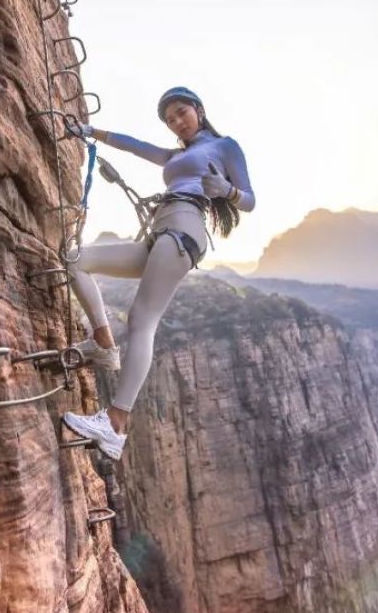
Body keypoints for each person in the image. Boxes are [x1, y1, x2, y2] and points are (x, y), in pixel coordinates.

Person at [62, 86, 255, 460]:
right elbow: (134, 145)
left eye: (181, 113)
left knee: (141, 319)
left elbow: (250, 199)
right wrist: (90, 131)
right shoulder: (176, 155)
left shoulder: (225, 146)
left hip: (184, 229)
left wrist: (228, 191)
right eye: (170, 120)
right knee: (77, 260)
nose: (177, 123)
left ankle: (115, 424)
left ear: (199, 109)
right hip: (160, 232)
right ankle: (103, 344)